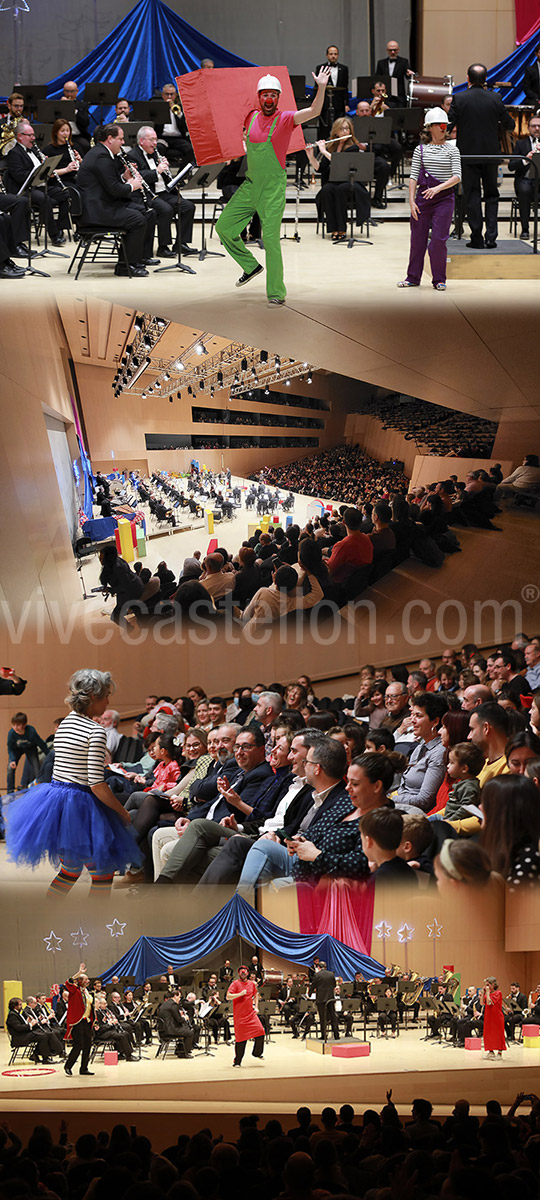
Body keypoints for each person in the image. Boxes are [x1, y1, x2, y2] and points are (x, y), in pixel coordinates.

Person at [6, 669, 139, 895]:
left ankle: (50, 918)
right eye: (106, 694)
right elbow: (97, 784)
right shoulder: (96, 731)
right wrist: (122, 813)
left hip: (56, 801)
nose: (108, 700)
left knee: (70, 870)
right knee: (103, 874)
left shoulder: (66, 722)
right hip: (80, 805)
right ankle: (97, 924)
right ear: (92, 697)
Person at [216, 67, 331, 304]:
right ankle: (250, 266)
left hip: (272, 188)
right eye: (265, 94)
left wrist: (321, 87)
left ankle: (276, 293)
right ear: (259, 97)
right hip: (250, 184)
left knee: (270, 240)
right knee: (224, 228)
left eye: (273, 95)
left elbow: (314, 111)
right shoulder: (251, 117)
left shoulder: (286, 118)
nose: (269, 99)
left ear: (278, 98)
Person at [447, 63, 514, 249]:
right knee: (492, 195)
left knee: (472, 195)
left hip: (467, 156)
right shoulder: (496, 98)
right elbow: (510, 124)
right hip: (491, 155)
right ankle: (491, 237)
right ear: (485, 80)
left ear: (467, 79)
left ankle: (476, 238)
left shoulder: (459, 98)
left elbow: (448, 126)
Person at [76, 123, 156, 276]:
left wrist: (124, 177)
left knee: (145, 212)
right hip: (96, 211)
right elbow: (114, 189)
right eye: (121, 138)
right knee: (137, 219)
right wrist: (132, 186)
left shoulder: (101, 153)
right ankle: (125, 266)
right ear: (110, 139)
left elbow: (109, 183)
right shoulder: (101, 156)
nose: (123, 142)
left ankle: (133, 259)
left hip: (100, 204)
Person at [398, 108, 460, 291]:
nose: (443, 128)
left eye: (445, 125)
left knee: (439, 240)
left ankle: (439, 279)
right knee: (417, 240)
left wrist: (438, 188)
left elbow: (457, 176)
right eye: (439, 125)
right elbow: (413, 177)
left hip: (444, 199)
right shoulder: (420, 150)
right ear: (430, 128)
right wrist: (411, 201)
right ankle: (413, 278)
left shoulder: (453, 149)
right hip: (423, 199)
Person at [126, 126, 196, 257]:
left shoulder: (157, 154)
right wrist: (157, 171)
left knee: (188, 206)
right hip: (147, 195)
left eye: (156, 140)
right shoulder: (132, 156)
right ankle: (163, 247)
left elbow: (165, 177)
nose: (155, 143)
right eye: (151, 140)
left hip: (164, 192)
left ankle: (181, 243)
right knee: (166, 209)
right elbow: (138, 176)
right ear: (141, 141)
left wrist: (166, 170)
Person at [4, 120, 70, 245]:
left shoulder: (34, 150)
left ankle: (61, 228)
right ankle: (54, 235)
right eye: (30, 136)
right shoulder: (14, 153)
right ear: (20, 136)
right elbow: (19, 176)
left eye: (33, 135)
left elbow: (43, 171)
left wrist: (45, 164)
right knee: (45, 199)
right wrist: (38, 172)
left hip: (40, 186)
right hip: (25, 189)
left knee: (64, 193)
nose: (33, 138)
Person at [305, 116, 371, 241]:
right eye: (342, 129)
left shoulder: (353, 147)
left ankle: (342, 228)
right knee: (326, 190)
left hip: (351, 182)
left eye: (347, 129)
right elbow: (320, 168)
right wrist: (311, 157)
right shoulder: (331, 147)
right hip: (335, 182)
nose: (345, 132)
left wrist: (323, 151)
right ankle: (333, 229)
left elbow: (340, 163)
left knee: (340, 189)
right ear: (336, 131)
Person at [508, 115, 540, 240]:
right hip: (525, 181)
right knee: (525, 190)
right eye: (533, 126)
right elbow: (511, 166)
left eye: (539, 126)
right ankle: (525, 229)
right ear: (528, 128)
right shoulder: (521, 144)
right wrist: (526, 159)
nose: (537, 129)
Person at [227, 965, 265, 1065]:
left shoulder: (251, 984)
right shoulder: (235, 984)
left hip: (251, 1014)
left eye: (245, 972)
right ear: (239, 974)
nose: (243, 974)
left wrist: (256, 1007)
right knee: (240, 1039)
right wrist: (239, 994)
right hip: (240, 1017)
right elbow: (228, 996)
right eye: (241, 973)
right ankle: (237, 1061)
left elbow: (256, 995)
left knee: (260, 1031)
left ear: (247, 973)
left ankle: (256, 1053)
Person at [63, 964, 95, 1076]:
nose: (88, 981)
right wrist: (78, 972)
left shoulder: (88, 992)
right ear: (79, 981)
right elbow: (68, 982)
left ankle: (84, 1068)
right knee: (78, 1045)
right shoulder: (74, 990)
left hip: (87, 1022)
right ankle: (68, 1066)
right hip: (77, 1021)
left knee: (87, 1045)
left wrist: (94, 1021)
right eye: (85, 979)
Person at [314, 46, 349, 137]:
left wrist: (347, 104)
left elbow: (345, 87)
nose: (333, 56)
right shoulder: (320, 68)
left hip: (339, 102)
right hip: (324, 101)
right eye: (331, 54)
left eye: (335, 54)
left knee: (339, 125)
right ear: (327, 55)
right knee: (324, 126)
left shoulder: (344, 68)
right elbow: (316, 87)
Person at [375, 40, 414, 106]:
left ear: (398, 50)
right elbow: (377, 78)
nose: (393, 52)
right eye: (390, 50)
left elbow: (408, 76)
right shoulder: (381, 63)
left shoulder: (404, 62)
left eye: (395, 50)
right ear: (387, 50)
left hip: (399, 96)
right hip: (386, 96)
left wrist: (409, 74)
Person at [43, 119, 82, 183]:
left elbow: (85, 166)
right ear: (56, 132)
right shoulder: (48, 150)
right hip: (59, 182)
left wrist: (80, 160)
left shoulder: (75, 146)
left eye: (67, 130)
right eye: (62, 131)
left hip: (75, 179)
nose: (66, 134)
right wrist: (66, 169)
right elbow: (47, 173)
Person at [481, 977, 505, 1057]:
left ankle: (499, 1052)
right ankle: (490, 1051)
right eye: (485, 985)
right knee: (488, 1034)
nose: (486, 987)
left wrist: (487, 993)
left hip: (497, 1017)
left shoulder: (498, 993)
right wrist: (482, 994)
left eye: (488, 985)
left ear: (493, 984)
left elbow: (489, 1003)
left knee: (498, 1034)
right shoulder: (488, 993)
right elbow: (482, 1003)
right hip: (489, 1017)